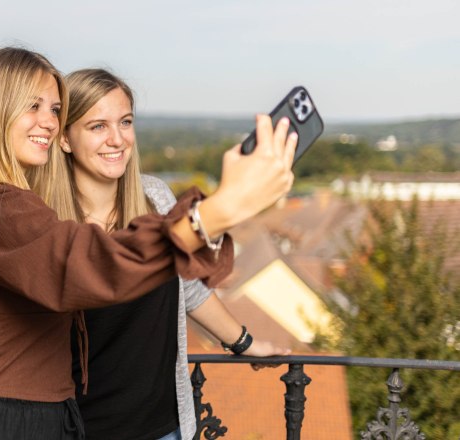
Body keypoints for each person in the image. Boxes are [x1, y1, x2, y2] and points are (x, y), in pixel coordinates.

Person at [0, 47, 297, 439]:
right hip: (10, 423)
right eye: (31, 106)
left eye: (54, 109)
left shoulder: (10, 205)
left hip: (54, 420)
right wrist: (215, 212)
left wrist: (242, 340)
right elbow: (88, 266)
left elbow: (178, 287)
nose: (48, 123)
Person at [50, 68, 291, 440]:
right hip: (80, 430)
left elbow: (189, 289)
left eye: (125, 122)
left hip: (166, 428)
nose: (117, 139)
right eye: (98, 126)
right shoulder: (49, 222)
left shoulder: (156, 198)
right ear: (65, 139)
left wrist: (244, 343)